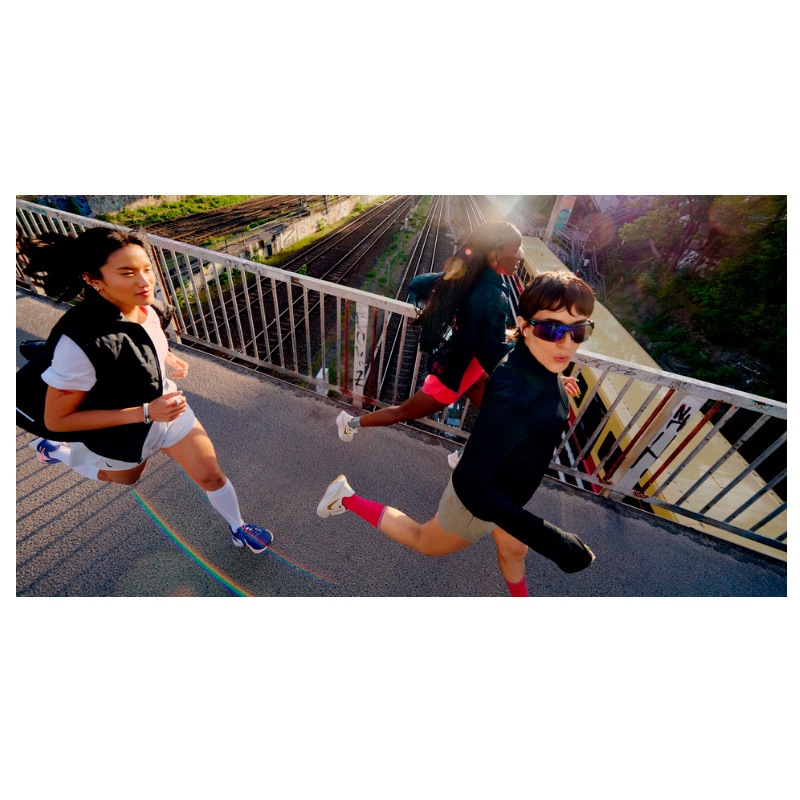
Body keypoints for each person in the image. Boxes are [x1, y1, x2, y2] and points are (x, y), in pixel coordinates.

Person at [317, 271, 597, 596]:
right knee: (424, 541)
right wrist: (557, 542)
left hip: (507, 494)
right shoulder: (517, 399)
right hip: (481, 502)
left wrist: (553, 379)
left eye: (578, 330)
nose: (566, 344)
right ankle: (345, 497)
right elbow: (470, 484)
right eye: (551, 329)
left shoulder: (531, 363)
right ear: (524, 326)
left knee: (514, 550)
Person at [18, 227, 274, 554]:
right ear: (92, 279)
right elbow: (58, 420)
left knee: (211, 475)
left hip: (168, 410)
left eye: (147, 269)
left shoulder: (147, 306)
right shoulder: (79, 342)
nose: (144, 282)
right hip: (121, 431)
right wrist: (146, 412)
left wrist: (167, 356)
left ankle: (238, 528)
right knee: (125, 478)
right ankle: (57, 452)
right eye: (127, 273)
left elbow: (142, 341)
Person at [335, 221, 578, 454]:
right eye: (515, 250)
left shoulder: (467, 278)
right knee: (402, 412)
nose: (519, 257)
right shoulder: (493, 298)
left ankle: (462, 457)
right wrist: (548, 376)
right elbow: (497, 357)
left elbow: (418, 284)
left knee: (497, 418)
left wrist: (449, 318)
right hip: (453, 376)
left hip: (470, 369)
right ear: (494, 254)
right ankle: (349, 422)